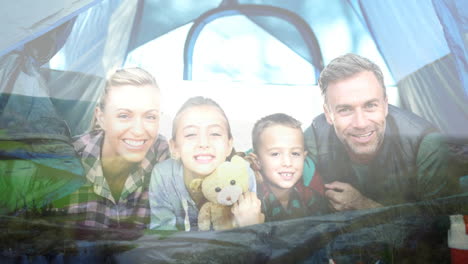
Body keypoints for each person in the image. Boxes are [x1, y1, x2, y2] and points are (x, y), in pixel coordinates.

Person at [304, 53, 450, 211]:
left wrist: (363, 205)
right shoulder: (314, 138)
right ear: (328, 114)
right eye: (345, 109)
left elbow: (441, 225)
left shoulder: (425, 143)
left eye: (370, 105)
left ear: (385, 105)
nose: (360, 123)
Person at [53, 68, 169, 232]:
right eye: (124, 115)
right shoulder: (67, 161)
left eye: (150, 117)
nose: (138, 130)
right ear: (101, 118)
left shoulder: (164, 157)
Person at [149, 96, 263, 231]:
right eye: (191, 134)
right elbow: (161, 233)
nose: (203, 143)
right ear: (175, 148)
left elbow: (248, 231)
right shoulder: (163, 175)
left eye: (215, 134)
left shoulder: (241, 173)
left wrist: (250, 224)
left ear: (229, 145)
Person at [248, 113, 328, 222]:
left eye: (295, 153)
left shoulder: (309, 196)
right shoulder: (252, 202)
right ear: (257, 161)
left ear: (304, 158)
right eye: (275, 154)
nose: (287, 162)